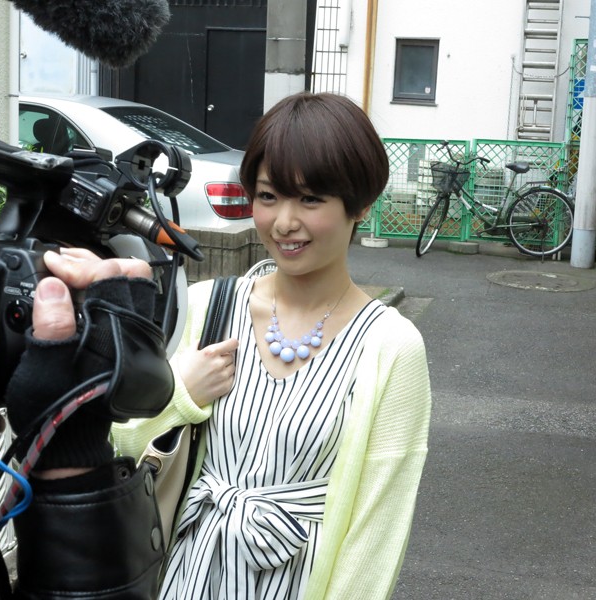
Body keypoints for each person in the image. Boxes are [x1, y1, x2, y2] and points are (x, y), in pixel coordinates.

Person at [110, 91, 433, 599]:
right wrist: (180, 396)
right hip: (184, 577)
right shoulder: (206, 308)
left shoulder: (390, 346)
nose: (284, 222)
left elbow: (377, 530)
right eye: (268, 196)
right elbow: (120, 444)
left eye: (310, 199)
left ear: (361, 204)